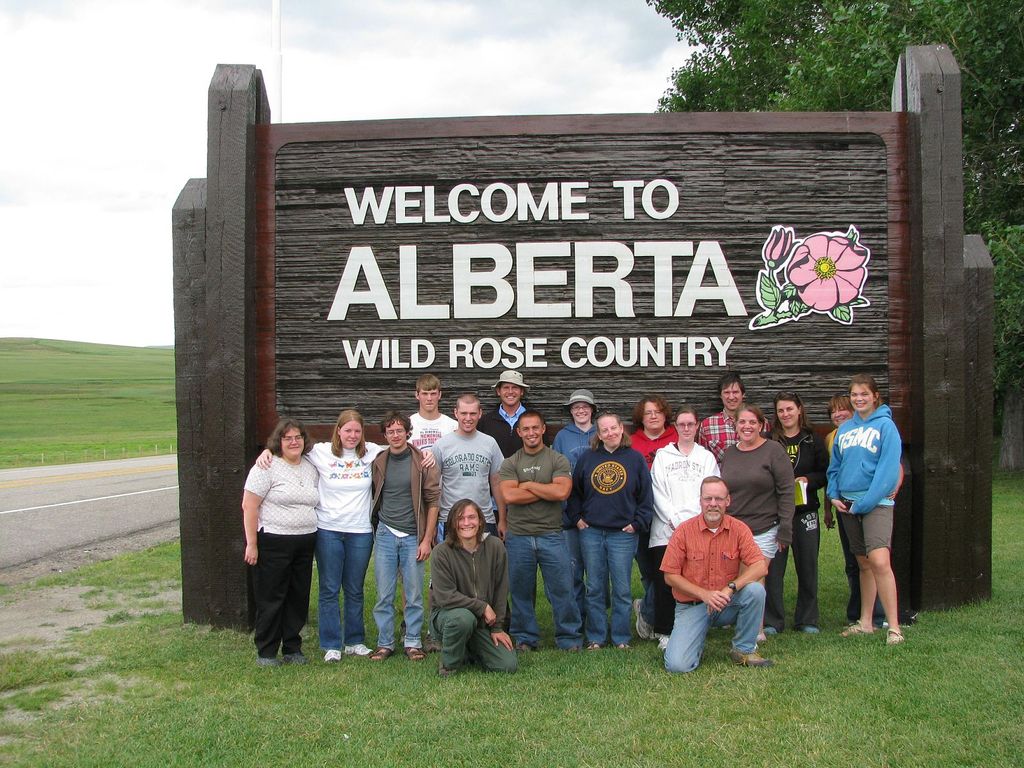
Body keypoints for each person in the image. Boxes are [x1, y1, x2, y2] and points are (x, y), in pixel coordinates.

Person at [258, 409, 383, 660]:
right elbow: (289, 447)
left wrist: (425, 454)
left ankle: (355, 640)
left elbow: (402, 445)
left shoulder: (371, 451)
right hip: (328, 530)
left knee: (355, 588)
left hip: (359, 530)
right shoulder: (321, 452)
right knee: (328, 588)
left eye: (357, 431)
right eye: (347, 430)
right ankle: (331, 644)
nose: (352, 435)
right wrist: (267, 451)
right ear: (338, 431)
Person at [661, 477, 772, 672]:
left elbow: (760, 566)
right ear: (701, 501)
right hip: (692, 606)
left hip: (726, 603)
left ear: (728, 501)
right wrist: (704, 594)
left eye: (719, 499)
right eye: (708, 499)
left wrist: (731, 588)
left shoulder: (739, 529)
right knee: (677, 666)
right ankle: (691, 644)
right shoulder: (683, 532)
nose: (713, 504)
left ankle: (743, 650)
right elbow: (670, 576)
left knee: (755, 590)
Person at [827, 374, 905, 645]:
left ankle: (894, 626)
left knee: (880, 562)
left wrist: (866, 502)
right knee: (863, 563)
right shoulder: (845, 430)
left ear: (875, 396)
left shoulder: (886, 427)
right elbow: (835, 466)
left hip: (876, 504)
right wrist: (833, 493)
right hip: (847, 504)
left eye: (864, 394)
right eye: (854, 395)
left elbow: (888, 470)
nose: (859, 399)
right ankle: (866, 622)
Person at [567, 412, 654, 649]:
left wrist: (637, 523)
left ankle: (621, 637)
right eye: (604, 430)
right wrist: (577, 519)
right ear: (599, 434)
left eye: (613, 428)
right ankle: (596, 636)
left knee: (622, 588)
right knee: (594, 586)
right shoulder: (588, 458)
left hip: (622, 534)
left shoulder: (635, 459)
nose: (610, 433)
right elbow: (575, 493)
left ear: (621, 428)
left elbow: (646, 496)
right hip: (592, 531)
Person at [499, 410, 582, 651]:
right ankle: (525, 637)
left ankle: (569, 637)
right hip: (519, 536)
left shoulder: (557, 460)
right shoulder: (511, 462)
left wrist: (528, 485)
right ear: (519, 432)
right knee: (521, 590)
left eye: (535, 428)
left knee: (562, 589)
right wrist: (544, 488)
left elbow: (561, 493)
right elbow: (509, 495)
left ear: (543, 429)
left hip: (552, 534)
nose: (531, 433)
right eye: (526, 429)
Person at [242, 418, 319, 666]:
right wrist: (251, 543)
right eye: (288, 438)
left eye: (298, 437)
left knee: (297, 596)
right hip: (274, 541)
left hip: (305, 541)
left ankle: (292, 648)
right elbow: (249, 506)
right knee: (271, 597)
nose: (294, 442)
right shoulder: (266, 467)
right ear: (279, 442)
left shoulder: (310, 466)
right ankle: (266, 651)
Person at [368, 411, 441, 662]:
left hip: (413, 535)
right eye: (390, 431)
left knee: (414, 593)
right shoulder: (379, 460)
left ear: (408, 432)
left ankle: (413, 642)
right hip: (386, 533)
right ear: (385, 435)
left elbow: (433, 501)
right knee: (384, 593)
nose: (395, 435)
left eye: (400, 430)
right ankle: (385, 643)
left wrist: (426, 538)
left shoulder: (422, 461)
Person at [719, 403, 795, 641]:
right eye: (742, 422)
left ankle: (756, 630)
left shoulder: (773, 451)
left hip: (765, 527)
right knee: (739, 577)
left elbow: (786, 491)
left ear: (761, 425)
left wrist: (785, 529)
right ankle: (743, 622)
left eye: (752, 422)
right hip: (735, 527)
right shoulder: (730, 453)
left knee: (755, 575)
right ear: (735, 425)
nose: (747, 426)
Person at [649, 406, 719, 648]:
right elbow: (657, 491)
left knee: (696, 579)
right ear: (675, 427)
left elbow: (711, 492)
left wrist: (692, 523)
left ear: (697, 425)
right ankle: (665, 632)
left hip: (699, 528)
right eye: (682, 424)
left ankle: (696, 626)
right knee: (667, 580)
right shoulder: (663, 456)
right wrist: (675, 520)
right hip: (666, 529)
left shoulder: (706, 457)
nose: (687, 428)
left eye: (691, 424)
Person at [764, 392, 829, 634]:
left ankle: (807, 619)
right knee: (773, 569)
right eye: (781, 410)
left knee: (808, 565)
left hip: (805, 512)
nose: (786, 414)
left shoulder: (813, 440)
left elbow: (824, 473)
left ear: (799, 409)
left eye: (789, 409)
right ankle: (772, 620)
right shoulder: (769, 440)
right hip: (776, 514)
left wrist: (808, 480)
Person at [430, 499, 518, 676]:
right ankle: (449, 665)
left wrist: (497, 628)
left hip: (483, 623)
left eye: (472, 517)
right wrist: (482, 606)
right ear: (453, 523)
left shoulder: (495, 547)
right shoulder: (441, 552)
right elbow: (444, 597)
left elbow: (502, 591)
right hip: (449, 617)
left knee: (508, 665)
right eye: (460, 518)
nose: (466, 523)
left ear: (480, 521)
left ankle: (467, 648)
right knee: (463, 618)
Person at [826, 392, 884, 627]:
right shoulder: (832, 437)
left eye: (842, 409)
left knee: (877, 560)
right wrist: (830, 505)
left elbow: (893, 465)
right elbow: (832, 472)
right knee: (854, 560)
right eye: (833, 411)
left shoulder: (874, 430)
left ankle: (879, 615)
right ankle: (858, 611)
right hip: (843, 504)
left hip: (871, 504)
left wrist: (892, 488)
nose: (838, 414)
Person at [628, 395, 677, 644]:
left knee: (665, 571)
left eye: (658, 411)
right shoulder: (632, 442)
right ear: (641, 417)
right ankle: (650, 609)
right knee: (648, 570)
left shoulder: (677, 438)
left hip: (670, 517)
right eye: (648, 413)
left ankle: (648, 612)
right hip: (642, 514)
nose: (654, 416)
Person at [431, 394, 507, 537]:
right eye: (463, 413)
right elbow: (434, 487)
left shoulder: (490, 443)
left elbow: (497, 483)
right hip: (450, 519)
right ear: (455, 413)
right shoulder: (441, 445)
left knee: (485, 560)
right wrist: (433, 524)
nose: (468, 418)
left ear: (480, 414)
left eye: (472, 413)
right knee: (452, 560)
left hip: (484, 518)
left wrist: (502, 519)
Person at [552, 388, 598, 623]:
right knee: (573, 569)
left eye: (585, 406)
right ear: (571, 411)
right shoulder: (562, 437)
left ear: (592, 409)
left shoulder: (601, 432)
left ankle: (595, 618)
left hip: (598, 512)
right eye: (575, 407)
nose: (580, 410)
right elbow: (557, 473)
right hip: (569, 513)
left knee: (596, 572)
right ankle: (576, 618)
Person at [479, 369, 540, 457]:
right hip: (497, 471)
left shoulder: (535, 419)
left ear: (521, 391)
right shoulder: (485, 422)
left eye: (515, 387)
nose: (510, 392)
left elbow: (542, 451)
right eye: (506, 387)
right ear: (498, 391)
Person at [698, 372, 748, 463]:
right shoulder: (707, 425)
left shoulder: (759, 423)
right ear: (720, 395)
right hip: (721, 476)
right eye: (726, 392)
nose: (731, 397)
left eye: (735, 392)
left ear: (743, 394)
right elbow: (702, 460)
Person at [409, 373, 457, 451]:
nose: (429, 398)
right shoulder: (407, 425)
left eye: (433, 394)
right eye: (425, 394)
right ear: (417, 395)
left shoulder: (453, 426)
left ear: (439, 395)